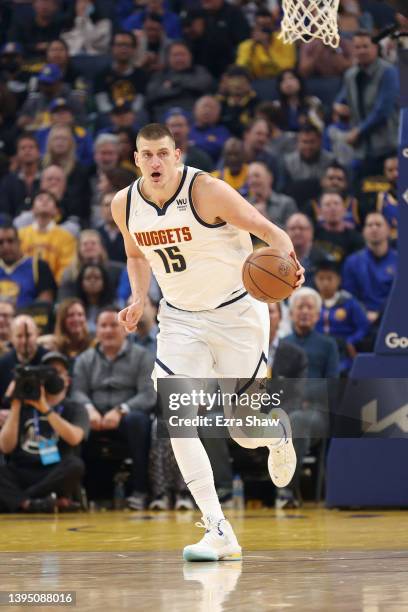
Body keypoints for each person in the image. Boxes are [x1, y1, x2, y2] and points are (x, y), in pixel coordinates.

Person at [111, 123, 304, 561]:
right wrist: (139, 298)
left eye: (163, 153)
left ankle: (276, 435)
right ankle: (218, 531)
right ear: (135, 158)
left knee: (241, 428)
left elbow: (269, 231)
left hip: (237, 312)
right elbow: (135, 254)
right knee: (175, 416)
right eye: (147, 155)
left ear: (177, 154)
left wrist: (291, 266)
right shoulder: (124, 204)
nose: (156, 162)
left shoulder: (207, 191)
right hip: (180, 319)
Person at [71, 307, 156, 509]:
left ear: (125, 329)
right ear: (97, 331)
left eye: (113, 325)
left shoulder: (142, 357)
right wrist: (89, 409)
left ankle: (140, 491)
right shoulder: (85, 359)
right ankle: (86, 494)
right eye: (103, 326)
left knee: (138, 421)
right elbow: (77, 392)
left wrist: (120, 410)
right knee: (75, 422)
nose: (108, 331)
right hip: (94, 415)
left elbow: (148, 394)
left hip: (127, 416)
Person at [0, 351, 89, 513]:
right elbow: (5, 447)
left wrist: (45, 408)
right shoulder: (23, 405)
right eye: (48, 372)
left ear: (67, 380)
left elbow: (75, 438)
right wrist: (15, 403)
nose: (52, 377)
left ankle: (23, 501)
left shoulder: (76, 408)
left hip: (53, 472)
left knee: (75, 466)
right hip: (22, 470)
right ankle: (34, 503)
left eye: (57, 373)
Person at [283, 288, 339, 507]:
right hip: (286, 410)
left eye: (310, 308)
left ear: (317, 315)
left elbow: (333, 384)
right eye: (300, 307)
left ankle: (286, 490)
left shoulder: (328, 345)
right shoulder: (284, 344)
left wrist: (309, 397)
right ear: (291, 313)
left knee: (298, 421)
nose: (305, 312)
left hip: (316, 413)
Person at [314, 259, 369, 373]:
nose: (325, 283)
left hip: (343, 350)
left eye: (329, 278)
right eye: (321, 278)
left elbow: (363, 327)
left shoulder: (349, 302)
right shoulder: (312, 302)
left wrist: (351, 341)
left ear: (339, 280)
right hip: (317, 348)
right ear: (315, 280)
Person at [342, 212, 397, 326]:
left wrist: (380, 314)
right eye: (369, 225)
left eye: (378, 224)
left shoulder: (401, 261)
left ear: (389, 230)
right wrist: (363, 313)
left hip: (394, 319)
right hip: (360, 320)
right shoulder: (352, 262)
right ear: (363, 231)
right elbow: (349, 295)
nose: (374, 228)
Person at [18, 190, 77, 284]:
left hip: (56, 289)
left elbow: (67, 267)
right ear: (32, 209)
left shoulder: (66, 237)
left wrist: (51, 286)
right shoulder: (20, 235)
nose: (44, 202)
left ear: (56, 211)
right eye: (40, 199)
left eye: (49, 200)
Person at [58, 229, 124, 301]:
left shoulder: (118, 271)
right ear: (78, 249)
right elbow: (64, 300)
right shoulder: (69, 273)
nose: (89, 247)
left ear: (101, 247)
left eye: (93, 243)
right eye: (85, 244)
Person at [0, 223, 56, 308]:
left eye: (10, 241)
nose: (6, 246)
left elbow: (45, 305)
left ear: (19, 242)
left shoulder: (39, 266)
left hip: (29, 319)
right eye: (0, 242)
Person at [236, 9, 296, 79]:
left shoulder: (285, 40)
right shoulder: (246, 45)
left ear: (273, 25)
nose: (264, 30)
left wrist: (267, 48)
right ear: (255, 27)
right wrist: (252, 47)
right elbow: (240, 68)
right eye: (260, 25)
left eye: (267, 25)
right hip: (255, 81)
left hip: (280, 80)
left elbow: (288, 67)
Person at [0, 315, 48, 399]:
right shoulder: (3, 364)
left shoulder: (49, 360)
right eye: (19, 336)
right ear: (11, 338)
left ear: (37, 334)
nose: (24, 341)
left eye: (28, 335)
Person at [37, 298, 93, 368]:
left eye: (80, 314)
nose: (76, 319)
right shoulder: (53, 345)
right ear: (62, 320)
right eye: (71, 315)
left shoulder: (92, 343)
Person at [313, 191, 364, 265]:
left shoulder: (356, 238)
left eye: (336, 204)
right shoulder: (313, 235)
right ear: (320, 211)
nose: (332, 208)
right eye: (327, 204)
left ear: (344, 209)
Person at [247, 162, 297, 229]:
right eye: (249, 177)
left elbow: (292, 233)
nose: (253, 180)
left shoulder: (286, 203)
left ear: (269, 178)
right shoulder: (245, 204)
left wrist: (266, 220)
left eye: (257, 176)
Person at [285, 213, 328, 287]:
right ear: (285, 232)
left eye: (301, 228)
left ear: (311, 231)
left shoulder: (323, 259)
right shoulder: (278, 257)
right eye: (292, 228)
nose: (297, 232)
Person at [165, 108, 213, 172]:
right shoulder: (158, 158)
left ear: (188, 128)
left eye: (180, 125)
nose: (176, 130)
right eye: (172, 126)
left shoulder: (201, 158)